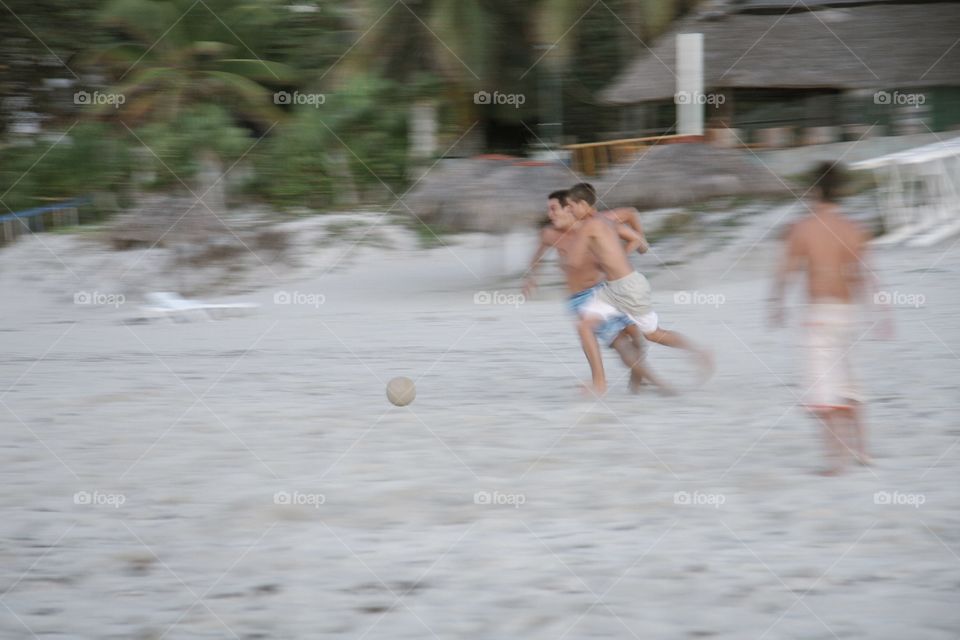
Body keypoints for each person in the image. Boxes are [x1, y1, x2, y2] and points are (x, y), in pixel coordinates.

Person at [770, 161, 882, 475]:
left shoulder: (803, 228)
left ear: (815, 191)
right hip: (848, 314)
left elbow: (786, 273)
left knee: (823, 389)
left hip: (818, 316)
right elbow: (866, 276)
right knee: (850, 383)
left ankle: (836, 462)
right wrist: (880, 312)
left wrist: (776, 303)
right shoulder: (854, 228)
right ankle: (864, 451)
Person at [562, 183, 713, 382]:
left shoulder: (588, 226)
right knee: (585, 325)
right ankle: (601, 382)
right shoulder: (605, 219)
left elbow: (573, 262)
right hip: (614, 289)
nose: (570, 211)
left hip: (628, 288)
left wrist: (572, 238)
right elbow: (636, 233)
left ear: (582, 204)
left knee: (653, 334)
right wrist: (624, 254)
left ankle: (700, 352)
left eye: (571, 206)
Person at [525, 190, 671, 395]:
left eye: (553, 209)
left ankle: (637, 383)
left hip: (607, 291)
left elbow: (629, 213)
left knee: (636, 337)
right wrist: (531, 276)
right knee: (621, 344)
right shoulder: (550, 235)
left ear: (569, 209)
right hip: (582, 300)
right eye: (548, 210)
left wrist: (634, 246)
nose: (549, 214)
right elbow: (537, 255)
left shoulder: (596, 223)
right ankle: (659, 384)